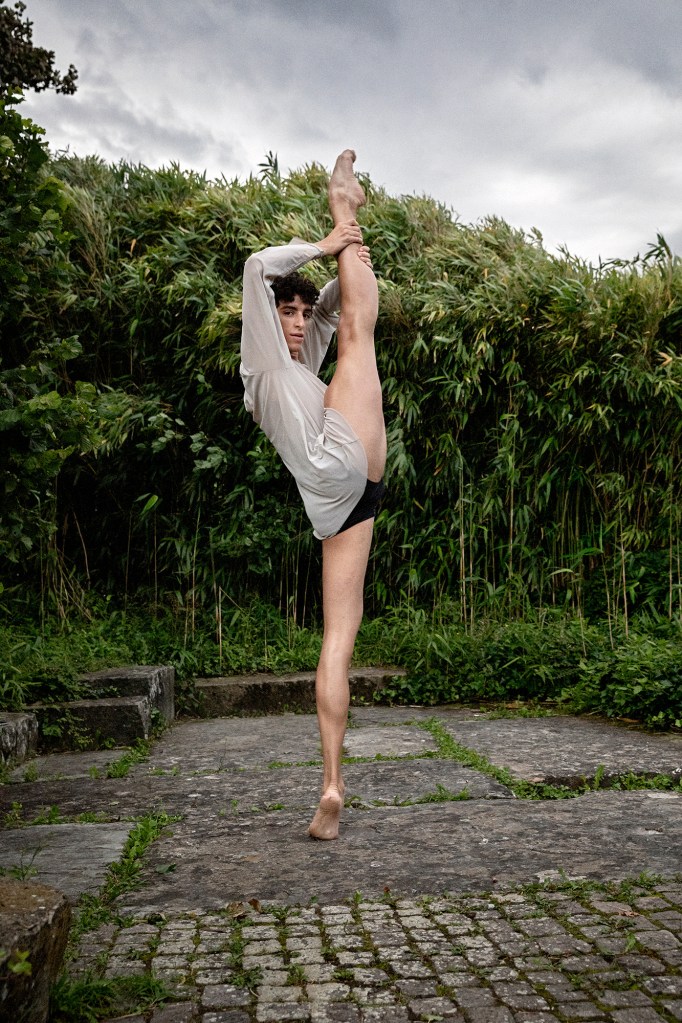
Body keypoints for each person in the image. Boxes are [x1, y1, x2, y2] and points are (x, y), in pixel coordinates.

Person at [240, 150, 386, 840]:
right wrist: (334, 237)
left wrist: (343, 261)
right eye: (286, 312)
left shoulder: (300, 361)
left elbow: (332, 307)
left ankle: (331, 786)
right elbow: (256, 267)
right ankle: (341, 198)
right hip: (337, 460)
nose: (298, 323)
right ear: (268, 319)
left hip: (338, 501)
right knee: (361, 332)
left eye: (299, 312)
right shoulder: (263, 360)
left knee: (337, 641)